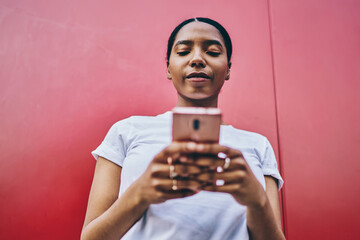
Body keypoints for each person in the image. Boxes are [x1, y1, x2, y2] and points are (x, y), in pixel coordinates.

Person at [81, 17, 285, 240]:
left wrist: (257, 201)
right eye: (183, 51)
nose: (197, 59)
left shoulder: (258, 145)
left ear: (228, 69)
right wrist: (140, 193)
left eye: (213, 52)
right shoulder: (126, 131)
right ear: (168, 67)